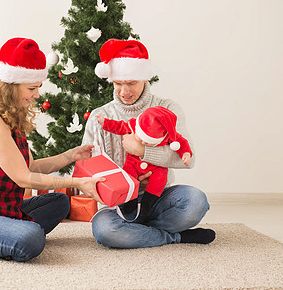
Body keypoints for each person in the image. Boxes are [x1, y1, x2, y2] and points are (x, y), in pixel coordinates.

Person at [0, 37, 105, 262]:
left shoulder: (11, 117)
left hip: (3, 210)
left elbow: (29, 167)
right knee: (31, 239)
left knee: (60, 202)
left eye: (38, 87)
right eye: (32, 88)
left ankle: (6, 233)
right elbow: (24, 178)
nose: (37, 95)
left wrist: (70, 156)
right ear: (9, 87)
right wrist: (76, 183)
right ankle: (9, 235)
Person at [83, 38, 215, 248]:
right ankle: (176, 237)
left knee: (196, 201)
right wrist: (125, 183)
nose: (124, 92)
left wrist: (142, 151)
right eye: (118, 84)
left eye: (131, 83)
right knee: (105, 230)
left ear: (145, 79)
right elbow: (87, 169)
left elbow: (189, 160)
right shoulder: (100, 116)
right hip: (118, 205)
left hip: (158, 197)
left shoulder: (167, 108)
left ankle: (138, 234)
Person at [95, 106, 192, 216]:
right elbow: (119, 126)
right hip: (133, 162)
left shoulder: (168, 135)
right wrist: (104, 123)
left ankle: (148, 202)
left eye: (148, 142)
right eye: (140, 138)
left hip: (156, 166)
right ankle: (130, 200)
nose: (142, 143)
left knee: (160, 179)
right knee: (129, 176)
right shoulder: (134, 124)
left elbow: (182, 142)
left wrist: (186, 154)